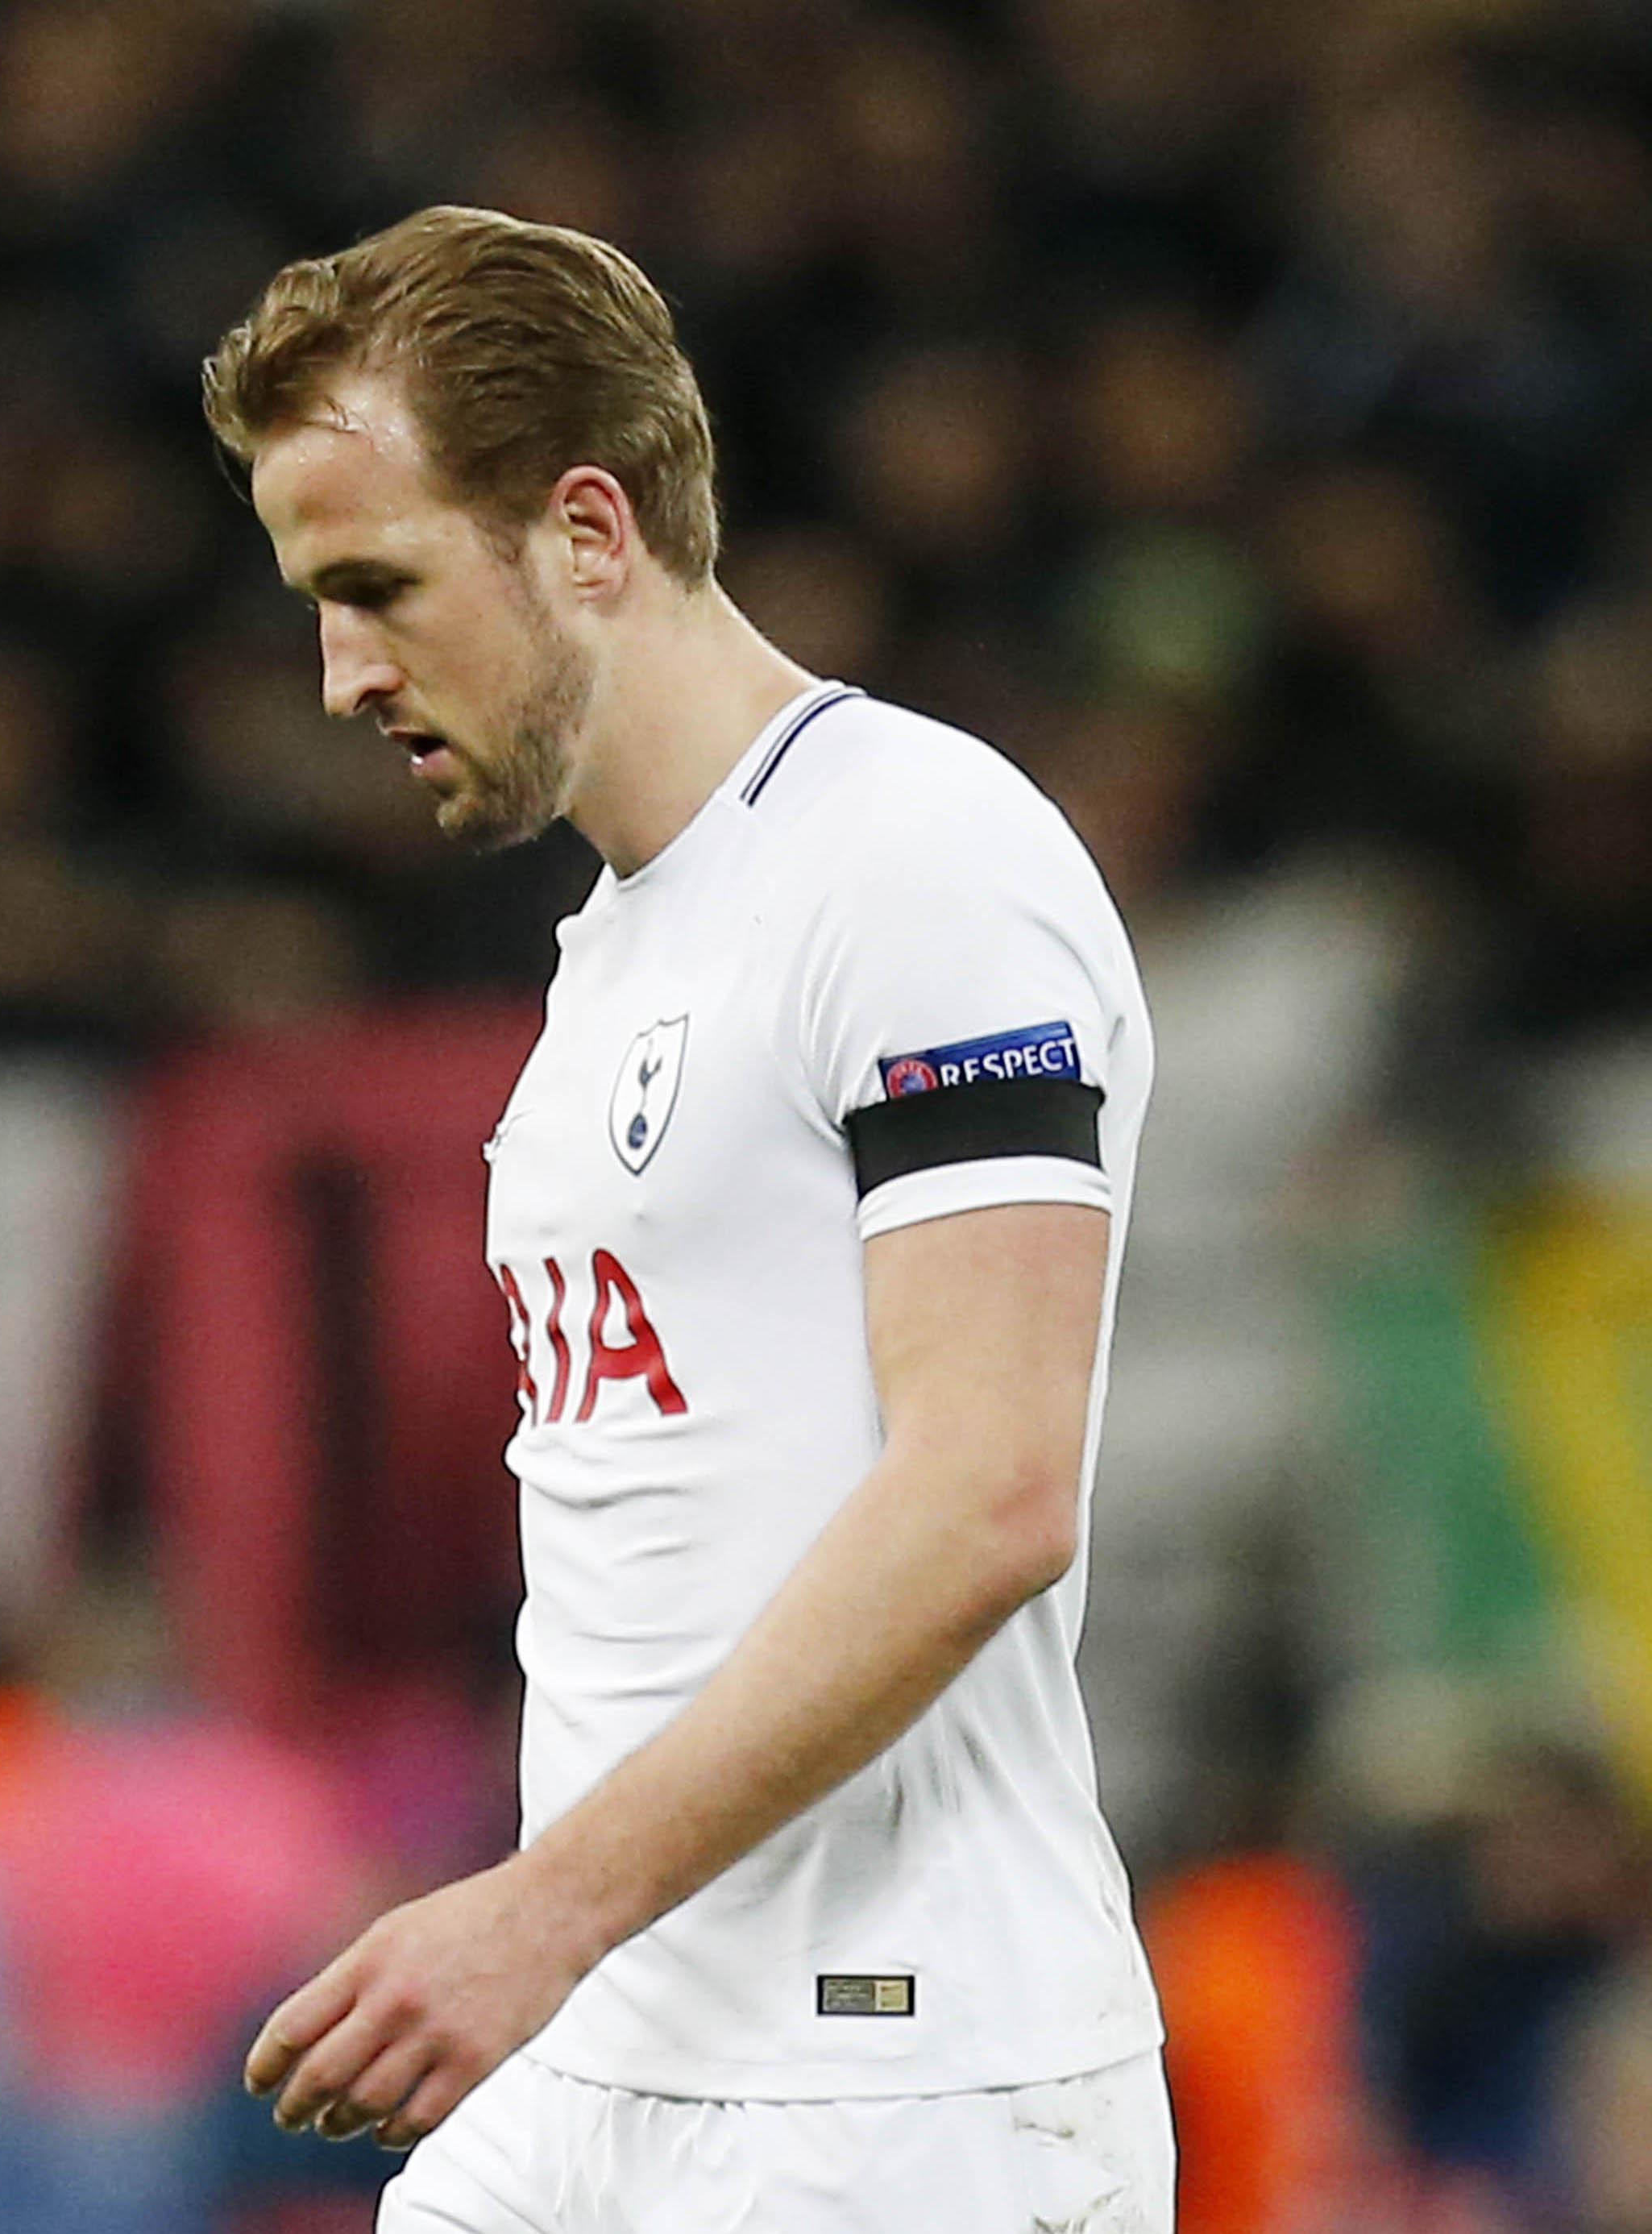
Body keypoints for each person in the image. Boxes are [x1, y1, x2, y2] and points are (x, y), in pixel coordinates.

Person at [203, 207, 1175, 2231]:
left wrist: (535, 1909)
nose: (337, 674)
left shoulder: (915, 859)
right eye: (313, 601)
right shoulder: (612, 960)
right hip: (603, 2057)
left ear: (583, 529)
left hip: (900, 2089)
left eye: (375, 586)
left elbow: (993, 1490)